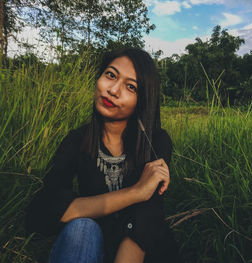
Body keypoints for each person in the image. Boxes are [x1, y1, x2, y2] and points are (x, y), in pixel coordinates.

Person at [25, 48, 181, 263]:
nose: (114, 90)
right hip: (88, 243)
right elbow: (42, 211)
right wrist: (137, 192)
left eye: (131, 87)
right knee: (82, 227)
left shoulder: (155, 141)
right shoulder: (77, 140)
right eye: (110, 75)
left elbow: (149, 214)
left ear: (142, 100)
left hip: (140, 249)